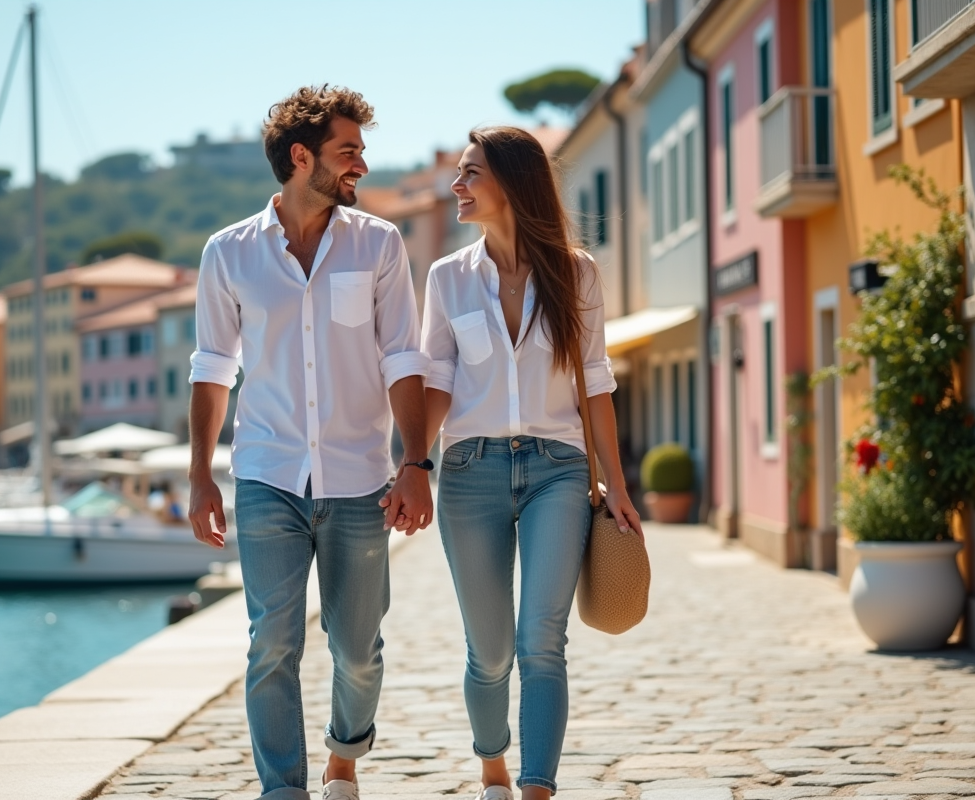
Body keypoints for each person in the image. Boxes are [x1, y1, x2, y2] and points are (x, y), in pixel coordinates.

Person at [187, 85, 434, 800]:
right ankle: (284, 790)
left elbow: (403, 360)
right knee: (273, 644)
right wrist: (202, 476)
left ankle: (343, 759)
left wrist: (415, 463)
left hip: (360, 479)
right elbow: (212, 368)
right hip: (267, 477)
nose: (361, 164)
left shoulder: (380, 245)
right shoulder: (228, 254)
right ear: (302, 158)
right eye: (347, 151)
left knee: (359, 653)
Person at [416, 127, 642, 800]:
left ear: (513, 183)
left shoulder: (578, 273)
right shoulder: (447, 278)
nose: (457, 186)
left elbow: (594, 382)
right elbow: (437, 384)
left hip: (558, 471)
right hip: (469, 472)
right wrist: (410, 466)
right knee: (490, 653)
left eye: (470, 174)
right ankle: (494, 765)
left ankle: (538, 788)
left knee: (542, 638)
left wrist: (618, 486)